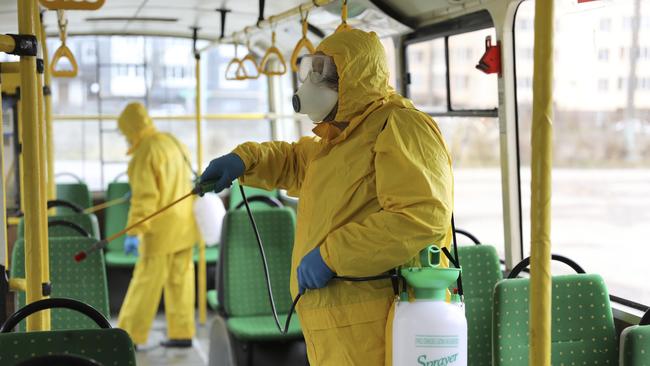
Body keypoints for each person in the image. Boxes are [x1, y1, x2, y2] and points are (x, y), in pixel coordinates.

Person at [201, 29, 453, 365]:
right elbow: (293, 162)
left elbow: (420, 218)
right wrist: (245, 160)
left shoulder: (398, 126)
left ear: (357, 78)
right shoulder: (339, 139)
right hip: (336, 324)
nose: (313, 82)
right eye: (313, 71)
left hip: (377, 323)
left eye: (327, 74)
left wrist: (331, 256)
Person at [116, 102, 198, 348]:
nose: (125, 139)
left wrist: (134, 232)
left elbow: (145, 200)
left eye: (125, 133)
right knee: (180, 282)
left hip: (160, 231)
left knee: (145, 285)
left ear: (131, 129)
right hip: (184, 225)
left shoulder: (144, 154)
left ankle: (128, 338)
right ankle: (182, 334)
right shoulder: (172, 141)